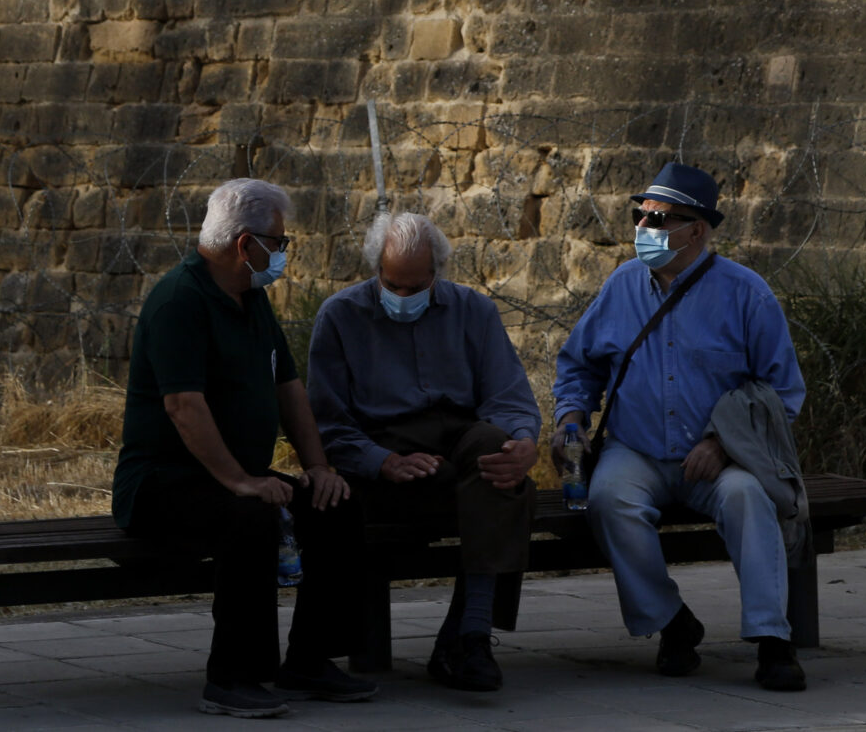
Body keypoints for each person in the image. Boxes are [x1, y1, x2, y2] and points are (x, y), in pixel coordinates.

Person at [113, 177, 377, 718]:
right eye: (278, 243)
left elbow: (289, 389)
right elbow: (184, 406)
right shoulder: (179, 301)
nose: (282, 253)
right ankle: (233, 676)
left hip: (236, 474)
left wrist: (318, 467)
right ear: (245, 245)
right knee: (250, 515)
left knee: (337, 504)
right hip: (163, 483)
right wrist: (240, 480)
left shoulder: (250, 299)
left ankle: (307, 659)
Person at [552, 162, 809, 691]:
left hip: (719, 457)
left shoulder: (746, 294)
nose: (645, 230)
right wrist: (571, 418)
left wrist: (721, 444)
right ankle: (672, 623)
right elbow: (579, 364)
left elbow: (784, 392)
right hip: (637, 448)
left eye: (661, 219)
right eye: (640, 216)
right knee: (607, 500)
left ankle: (772, 640)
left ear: (697, 230)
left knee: (748, 501)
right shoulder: (621, 286)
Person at [307, 209, 541, 692]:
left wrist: (523, 442)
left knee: (501, 462)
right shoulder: (341, 315)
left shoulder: (474, 310)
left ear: (438, 271)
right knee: (492, 487)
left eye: (418, 286)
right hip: (384, 440)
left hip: (458, 435)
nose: (405, 298)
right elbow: (329, 422)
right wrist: (382, 461)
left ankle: (471, 635)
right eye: (394, 285)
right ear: (377, 271)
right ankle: (463, 642)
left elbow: (508, 395)